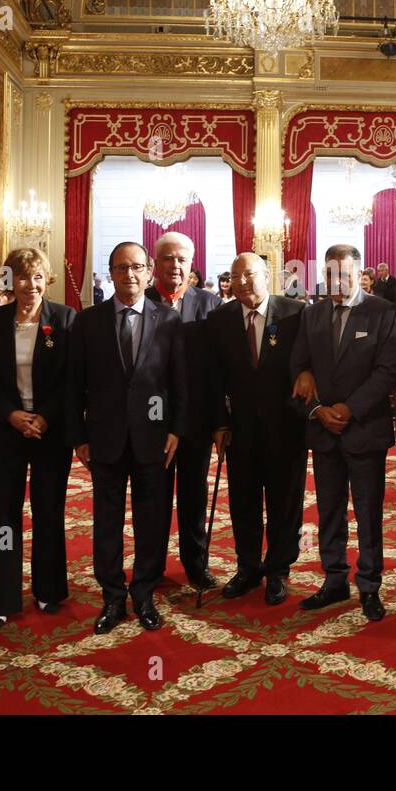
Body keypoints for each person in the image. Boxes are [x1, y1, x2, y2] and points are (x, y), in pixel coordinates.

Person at [67, 242, 184, 633]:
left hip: (154, 439)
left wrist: (176, 429)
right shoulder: (88, 321)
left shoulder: (168, 320)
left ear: (149, 271)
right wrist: (79, 435)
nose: (129, 275)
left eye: (136, 268)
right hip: (105, 439)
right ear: (111, 273)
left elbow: (177, 383)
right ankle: (113, 597)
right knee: (107, 522)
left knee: (152, 521)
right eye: (121, 268)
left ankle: (144, 593)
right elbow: (75, 384)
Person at [288, 244, 396, 621]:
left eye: (344, 274)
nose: (336, 282)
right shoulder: (312, 313)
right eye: (330, 274)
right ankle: (334, 580)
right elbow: (298, 367)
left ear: (359, 272)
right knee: (329, 510)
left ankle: (369, 586)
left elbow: (387, 371)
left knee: (368, 513)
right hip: (324, 432)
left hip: (364, 428)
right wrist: (318, 411)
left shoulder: (383, 311)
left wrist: (349, 409)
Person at [0, 247, 75, 630]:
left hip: (51, 432)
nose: (29, 284)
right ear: (9, 281)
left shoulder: (65, 319)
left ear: (46, 279)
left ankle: (49, 589)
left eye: (36, 276)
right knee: (4, 515)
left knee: (48, 510)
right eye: (21, 277)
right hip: (7, 431)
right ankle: (2, 595)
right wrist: (12, 415)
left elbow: (71, 380)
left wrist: (45, 418)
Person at [205, 253, 307, 604]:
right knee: (243, 501)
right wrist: (218, 421)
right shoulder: (219, 319)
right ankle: (248, 567)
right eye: (236, 276)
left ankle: (279, 568)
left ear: (267, 275)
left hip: (286, 426)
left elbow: (306, 365)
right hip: (240, 429)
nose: (243, 282)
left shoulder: (296, 314)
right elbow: (213, 377)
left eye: (250, 274)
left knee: (285, 501)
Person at [145, 232, 221, 590]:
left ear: (191, 264)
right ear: (155, 264)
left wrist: (221, 420)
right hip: (152, 422)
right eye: (168, 259)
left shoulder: (210, 304)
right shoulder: (138, 301)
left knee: (194, 498)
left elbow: (220, 367)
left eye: (181, 260)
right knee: (154, 499)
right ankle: (152, 567)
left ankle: (196, 566)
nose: (175, 266)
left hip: (196, 422)